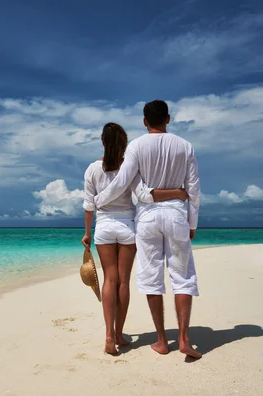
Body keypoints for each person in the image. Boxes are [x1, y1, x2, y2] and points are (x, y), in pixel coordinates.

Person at [93, 100, 202, 359]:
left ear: (144, 121)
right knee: (182, 275)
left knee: (152, 277)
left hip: (147, 218)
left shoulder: (137, 146)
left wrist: (98, 200)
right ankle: (184, 339)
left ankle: (162, 341)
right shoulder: (185, 146)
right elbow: (194, 189)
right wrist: (193, 223)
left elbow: (122, 182)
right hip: (176, 214)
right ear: (168, 118)